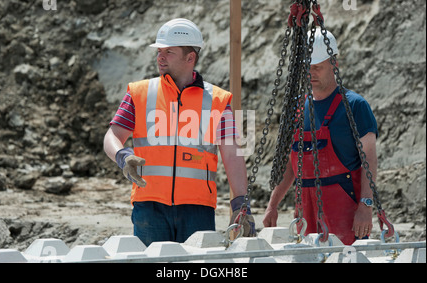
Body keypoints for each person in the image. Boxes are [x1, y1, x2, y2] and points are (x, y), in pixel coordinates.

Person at [104, 18, 255, 246]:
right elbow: (113, 136)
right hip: (149, 206)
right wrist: (122, 156)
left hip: (198, 209)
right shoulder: (140, 93)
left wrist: (241, 204)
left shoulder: (217, 100)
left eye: (169, 52)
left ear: (190, 58)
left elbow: (232, 153)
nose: (160, 57)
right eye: (159, 51)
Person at [263, 28, 379, 245]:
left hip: (344, 209)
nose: (311, 73)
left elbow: (369, 161)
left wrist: (365, 206)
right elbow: (291, 162)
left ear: (334, 64)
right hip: (304, 207)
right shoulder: (297, 106)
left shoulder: (355, 106)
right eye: (307, 68)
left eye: (317, 67)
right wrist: (273, 204)